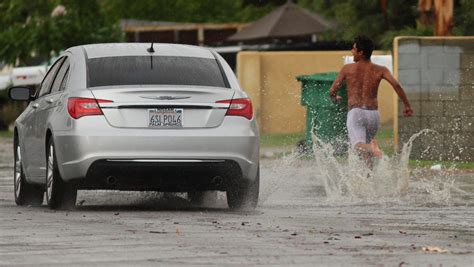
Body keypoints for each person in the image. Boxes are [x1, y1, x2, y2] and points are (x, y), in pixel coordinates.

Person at [329, 35, 413, 167]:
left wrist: (334, 97)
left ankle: (372, 148)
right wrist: (407, 105)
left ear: (361, 53)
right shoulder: (381, 70)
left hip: (356, 113)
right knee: (366, 154)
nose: (352, 51)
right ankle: (368, 180)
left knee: (358, 146)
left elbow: (333, 89)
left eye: (354, 49)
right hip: (373, 116)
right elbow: (396, 85)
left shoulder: (347, 69)